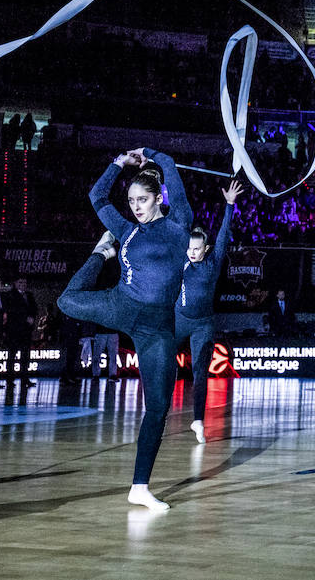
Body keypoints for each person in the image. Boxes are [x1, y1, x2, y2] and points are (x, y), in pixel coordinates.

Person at [57, 146, 192, 511]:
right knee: (66, 302)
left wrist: (148, 154)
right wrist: (119, 163)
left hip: (156, 327)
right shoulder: (127, 230)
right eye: (131, 200)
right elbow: (97, 196)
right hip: (122, 305)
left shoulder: (179, 223)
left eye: (142, 199)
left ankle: (139, 487)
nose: (135, 206)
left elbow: (168, 165)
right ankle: (101, 254)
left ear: (159, 197)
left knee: (159, 407)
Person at [176, 180, 242, 444]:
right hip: (178, 320)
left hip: (203, 325)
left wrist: (229, 205)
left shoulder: (213, 264)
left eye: (196, 249)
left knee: (200, 373)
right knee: (161, 359)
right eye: (189, 249)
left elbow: (224, 234)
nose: (192, 253)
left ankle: (198, 421)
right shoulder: (181, 261)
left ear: (205, 249)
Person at [3, 276, 37, 387]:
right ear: (15, 283)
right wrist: (25, 318)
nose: (23, 284)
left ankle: (24, 379)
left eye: (25, 282)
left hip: (26, 331)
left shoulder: (29, 295)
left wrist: (31, 317)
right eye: (21, 282)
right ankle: (9, 379)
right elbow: (12, 311)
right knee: (12, 356)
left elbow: (34, 309)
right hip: (14, 331)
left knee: (25, 356)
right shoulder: (10, 295)